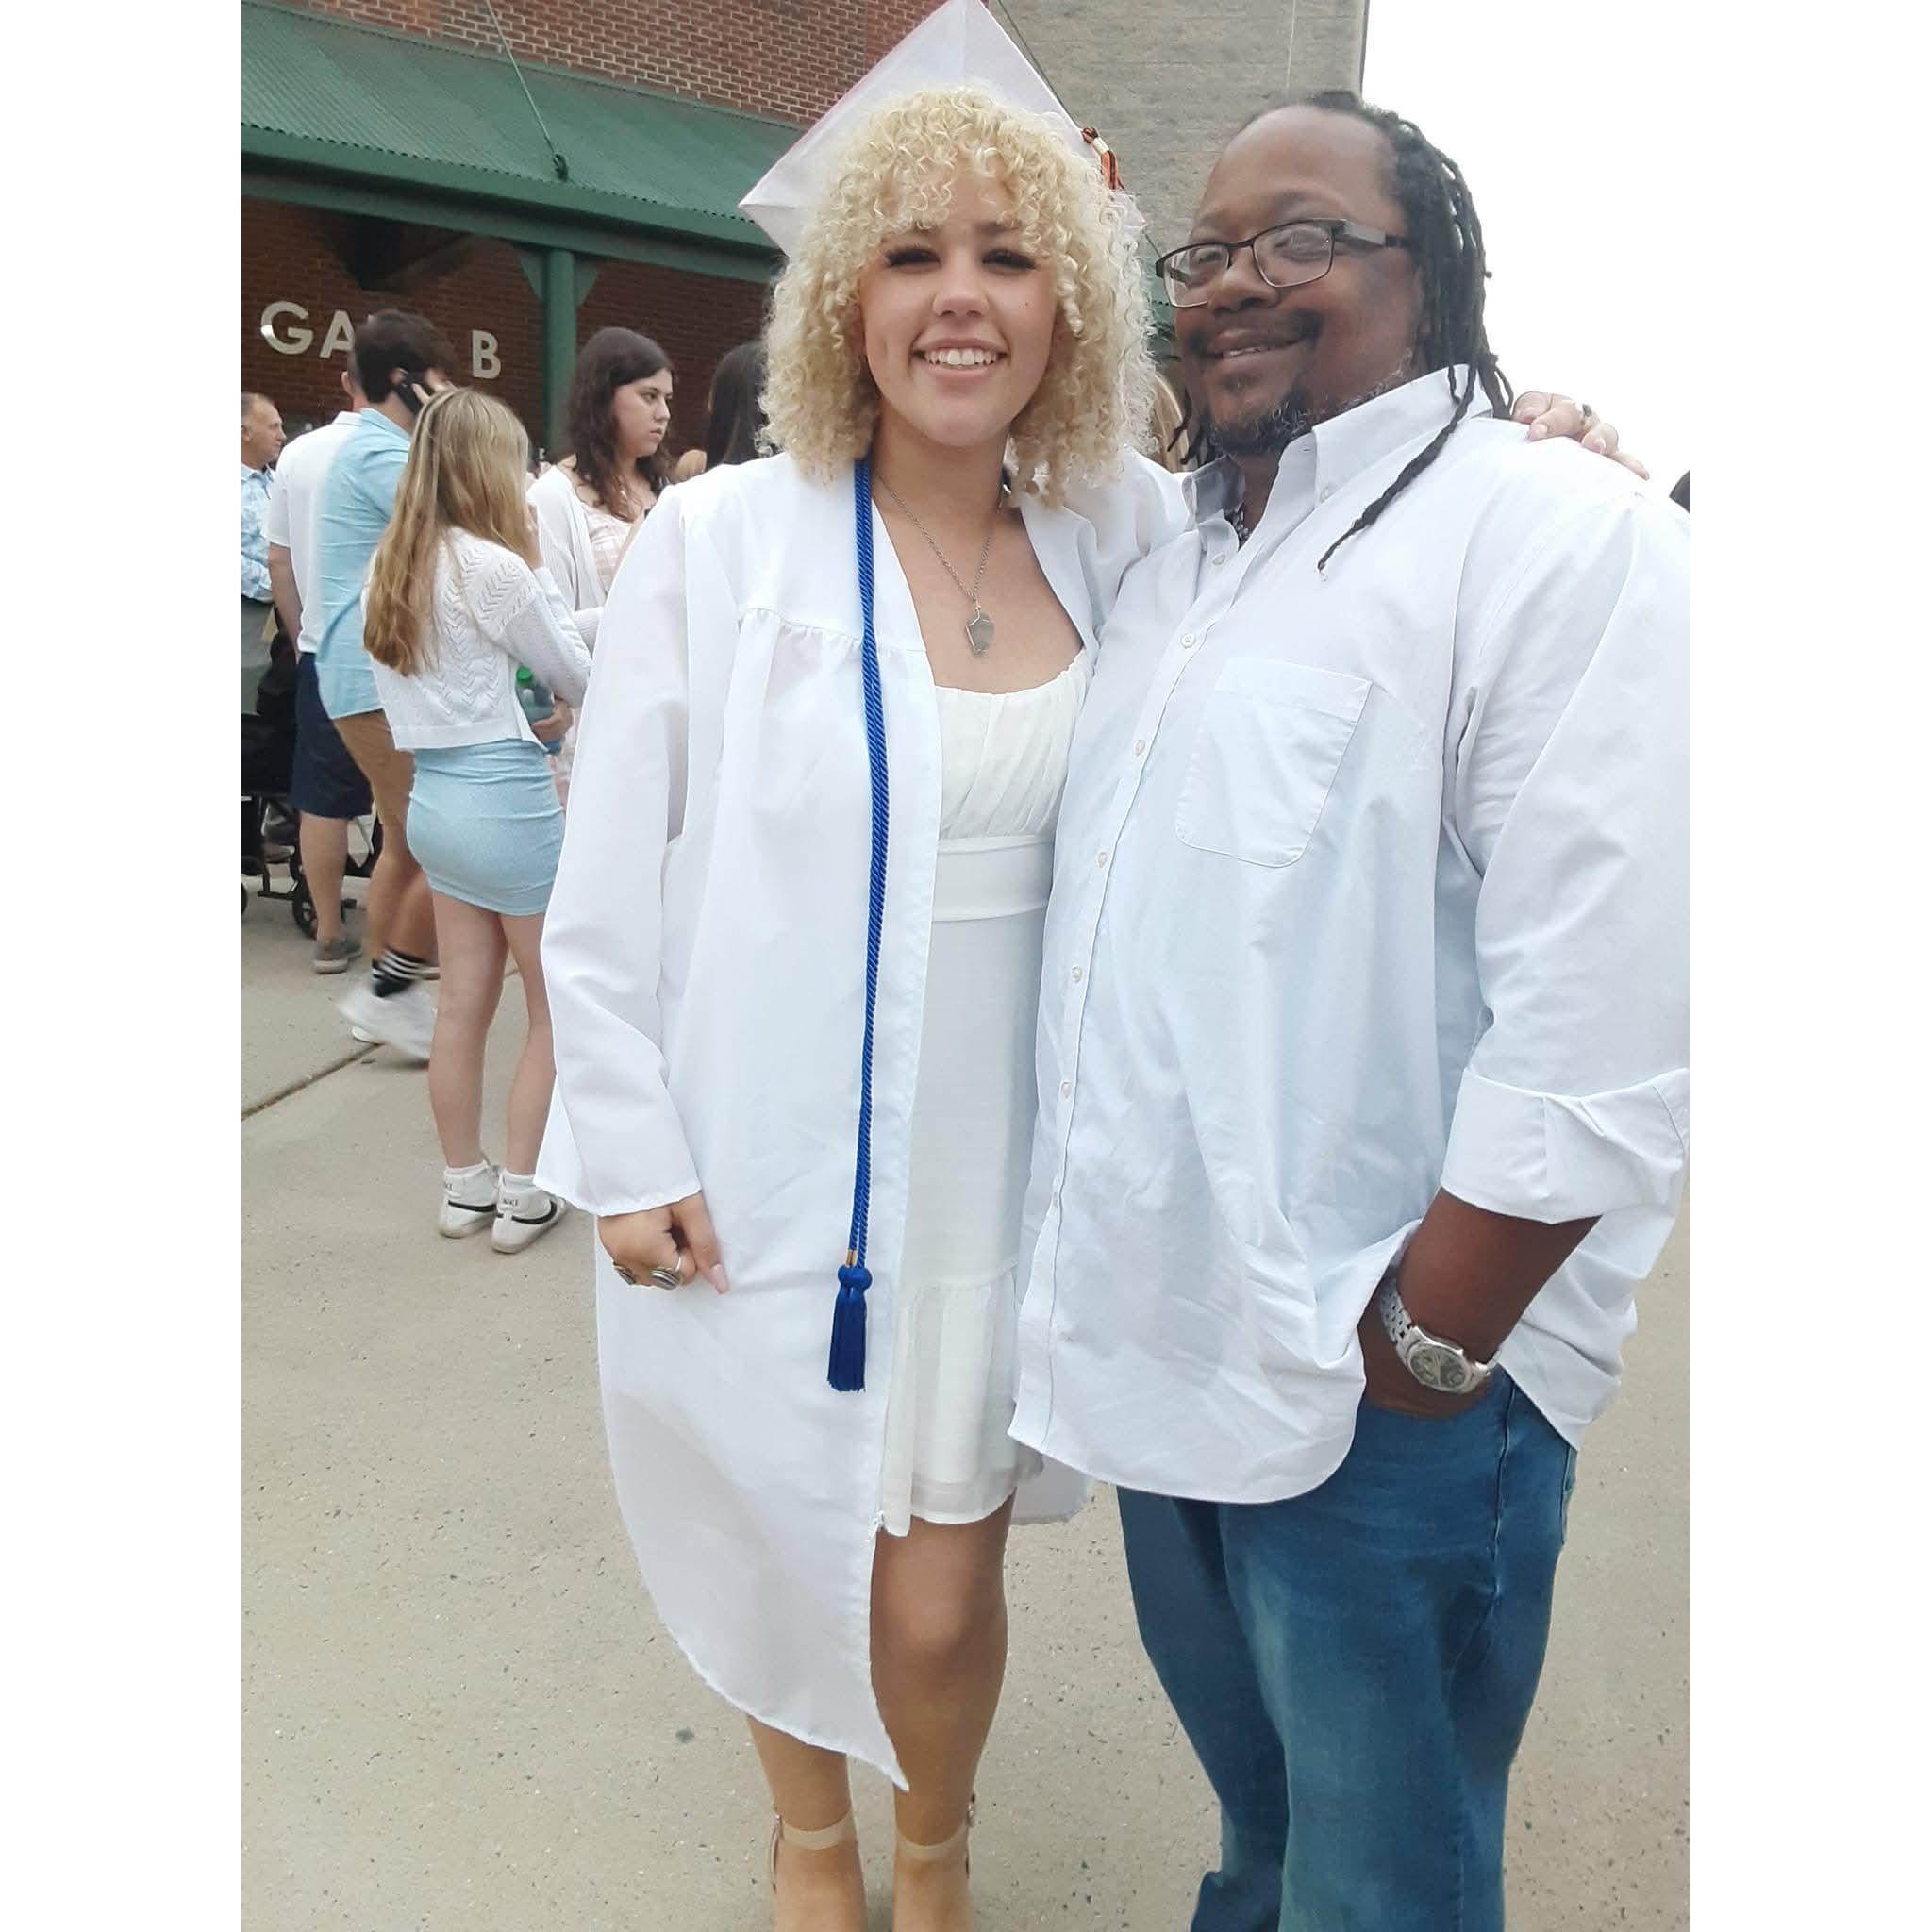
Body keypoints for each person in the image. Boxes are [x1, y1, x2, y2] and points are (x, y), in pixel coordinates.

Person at [537, 67, 1634, 1931]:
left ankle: (939, 1842)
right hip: (767, 1123)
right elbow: (607, 876)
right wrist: (620, 1139)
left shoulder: (1133, 533)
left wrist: (1514, 456)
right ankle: (813, 1839)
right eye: (906, 254)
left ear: (1067, 305)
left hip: (1006, 1149)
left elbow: (1347, 554)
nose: (955, 294)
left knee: (944, 1577)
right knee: (769, 1507)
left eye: (1005, 254)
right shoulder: (721, 551)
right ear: (840, 305)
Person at [1005, 93, 1690, 1932]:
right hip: (1175, 1345)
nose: (1236, 283)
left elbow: (1605, 1024)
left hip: (1392, 1388)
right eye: (1207, 251)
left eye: (1300, 238)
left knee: (1383, 1879)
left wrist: (1428, 1355)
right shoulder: (1169, 558)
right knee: (1268, 1825)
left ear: (1433, 277)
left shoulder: (1557, 543)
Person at [364, 389, 589, 1251]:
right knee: (552, 1005)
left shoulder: (394, 561)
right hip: (509, 804)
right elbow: (573, 668)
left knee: (461, 1001)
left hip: (437, 803)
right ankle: (526, 1191)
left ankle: (465, 1185)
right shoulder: (493, 566)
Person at [311, 310, 457, 1058]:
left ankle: (387, 991)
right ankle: (387, 990)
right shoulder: (379, 451)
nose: (453, 393)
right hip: (372, 676)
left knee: (407, 836)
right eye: (442, 381)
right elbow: (457, 523)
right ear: (405, 381)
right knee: (445, 836)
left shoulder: (376, 447)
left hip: (365, 673)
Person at [266, 365, 374, 973]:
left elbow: (279, 560)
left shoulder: (300, 454)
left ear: (344, 380)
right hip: (393, 650)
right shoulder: (406, 452)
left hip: (320, 648)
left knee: (321, 799)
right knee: (403, 795)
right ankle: (406, 938)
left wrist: (298, 629)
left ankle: (329, 930)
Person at [242, 391, 287, 712]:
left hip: (285, 629)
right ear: (244, 431)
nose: (282, 436)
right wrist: (279, 582)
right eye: (273, 427)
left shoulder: (281, 483)